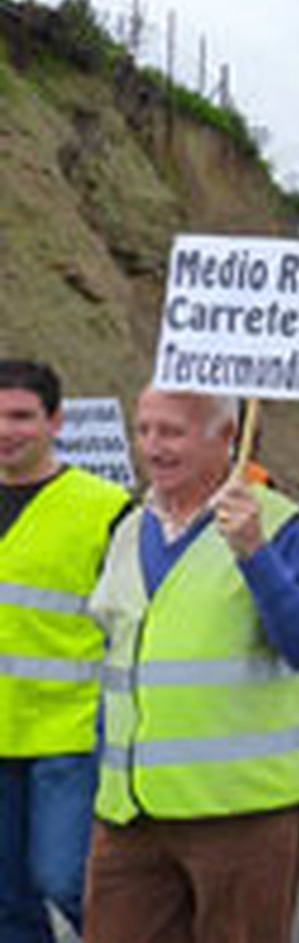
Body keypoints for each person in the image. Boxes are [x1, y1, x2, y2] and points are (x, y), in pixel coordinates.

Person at [83, 389, 299, 943]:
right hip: (128, 815)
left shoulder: (278, 524)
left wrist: (255, 553)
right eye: (144, 429)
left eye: (171, 431)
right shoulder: (129, 528)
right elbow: (120, 662)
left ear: (227, 438)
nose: (152, 446)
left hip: (240, 815)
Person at [0, 361, 130, 942]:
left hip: (70, 731)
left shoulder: (106, 508)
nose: (5, 430)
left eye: (21, 416)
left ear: (55, 421)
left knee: (67, 880)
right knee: (7, 902)